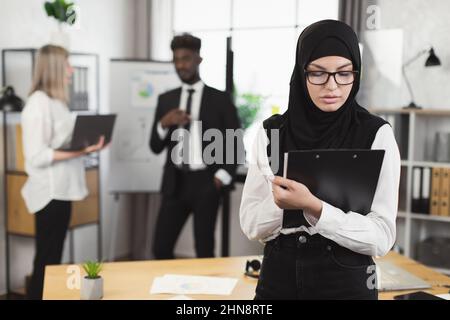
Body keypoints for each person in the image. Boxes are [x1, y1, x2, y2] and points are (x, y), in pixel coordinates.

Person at [239, 20, 401, 300]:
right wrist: (281, 207)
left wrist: (314, 208)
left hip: (346, 280)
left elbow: (382, 236)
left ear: (356, 73)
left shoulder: (376, 134)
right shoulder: (271, 132)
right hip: (278, 276)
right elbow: (251, 223)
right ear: (301, 73)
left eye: (344, 73)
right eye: (318, 74)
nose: (332, 86)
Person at [21, 45, 108, 299]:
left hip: (63, 191)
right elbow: (37, 156)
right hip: (49, 193)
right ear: (56, 68)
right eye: (68, 64)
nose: (71, 70)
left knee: (53, 259)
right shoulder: (38, 104)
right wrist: (80, 152)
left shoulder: (57, 103)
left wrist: (91, 145)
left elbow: (66, 141)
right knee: (47, 262)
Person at [150, 34, 241, 259]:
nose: (181, 65)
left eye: (186, 58)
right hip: (175, 182)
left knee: (204, 250)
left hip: (207, 183)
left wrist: (221, 177)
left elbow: (235, 144)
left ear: (198, 59)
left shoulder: (220, 99)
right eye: (176, 59)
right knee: (160, 248)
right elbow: (154, 146)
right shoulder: (166, 100)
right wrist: (164, 123)